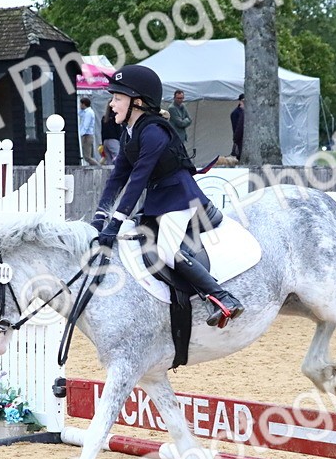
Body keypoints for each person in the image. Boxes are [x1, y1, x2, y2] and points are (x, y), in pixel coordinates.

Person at [91, 65, 243, 327]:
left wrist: (114, 223)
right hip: (162, 201)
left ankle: (223, 297)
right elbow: (118, 177)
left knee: (168, 251)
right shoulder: (130, 133)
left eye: (117, 98)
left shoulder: (153, 132)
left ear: (137, 102)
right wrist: (99, 217)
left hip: (180, 199)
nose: (111, 104)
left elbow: (137, 181)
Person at [77, 97, 98, 166]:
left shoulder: (89, 113)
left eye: (80, 104)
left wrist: (81, 134)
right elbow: (79, 113)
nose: (80, 105)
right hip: (86, 135)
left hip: (87, 135)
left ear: (84, 104)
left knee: (87, 157)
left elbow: (86, 125)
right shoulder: (85, 112)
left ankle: (98, 166)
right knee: (86, 156)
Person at [230, 94, 245, 159]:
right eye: (243, 101)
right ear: (240, 101)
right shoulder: (236, 113)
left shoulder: (244, 112)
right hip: (240, 141)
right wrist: (236, 140)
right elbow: (236, 129)